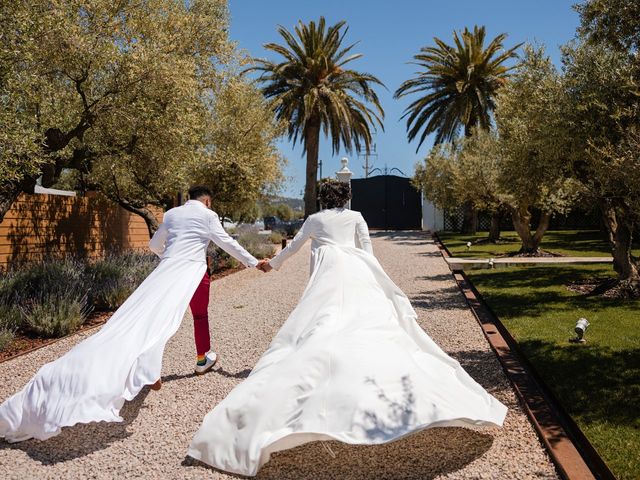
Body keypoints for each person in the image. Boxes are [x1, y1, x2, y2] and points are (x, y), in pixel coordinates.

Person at [188, 179, 507, 476]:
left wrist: (270, 264)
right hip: (355, 271)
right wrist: (381, 282)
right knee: (368, 324)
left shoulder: (314, 219)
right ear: (346, 199)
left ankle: (323, 383)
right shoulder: (355, 217)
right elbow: (366, 250)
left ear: (323, 199)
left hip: (327, 275)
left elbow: (295, 247)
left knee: (320, 324)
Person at [0, 185, 267, 442]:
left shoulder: (172, 214)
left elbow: (153, 245)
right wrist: (254, 262)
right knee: (195, 316)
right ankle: (199, 359)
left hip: (165, 272)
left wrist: (169, 258)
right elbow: (226, 241)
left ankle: (148, 369)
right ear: (208, 201)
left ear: (189, 198)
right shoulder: (208, 215)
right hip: (192, 273)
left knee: (146, 320)